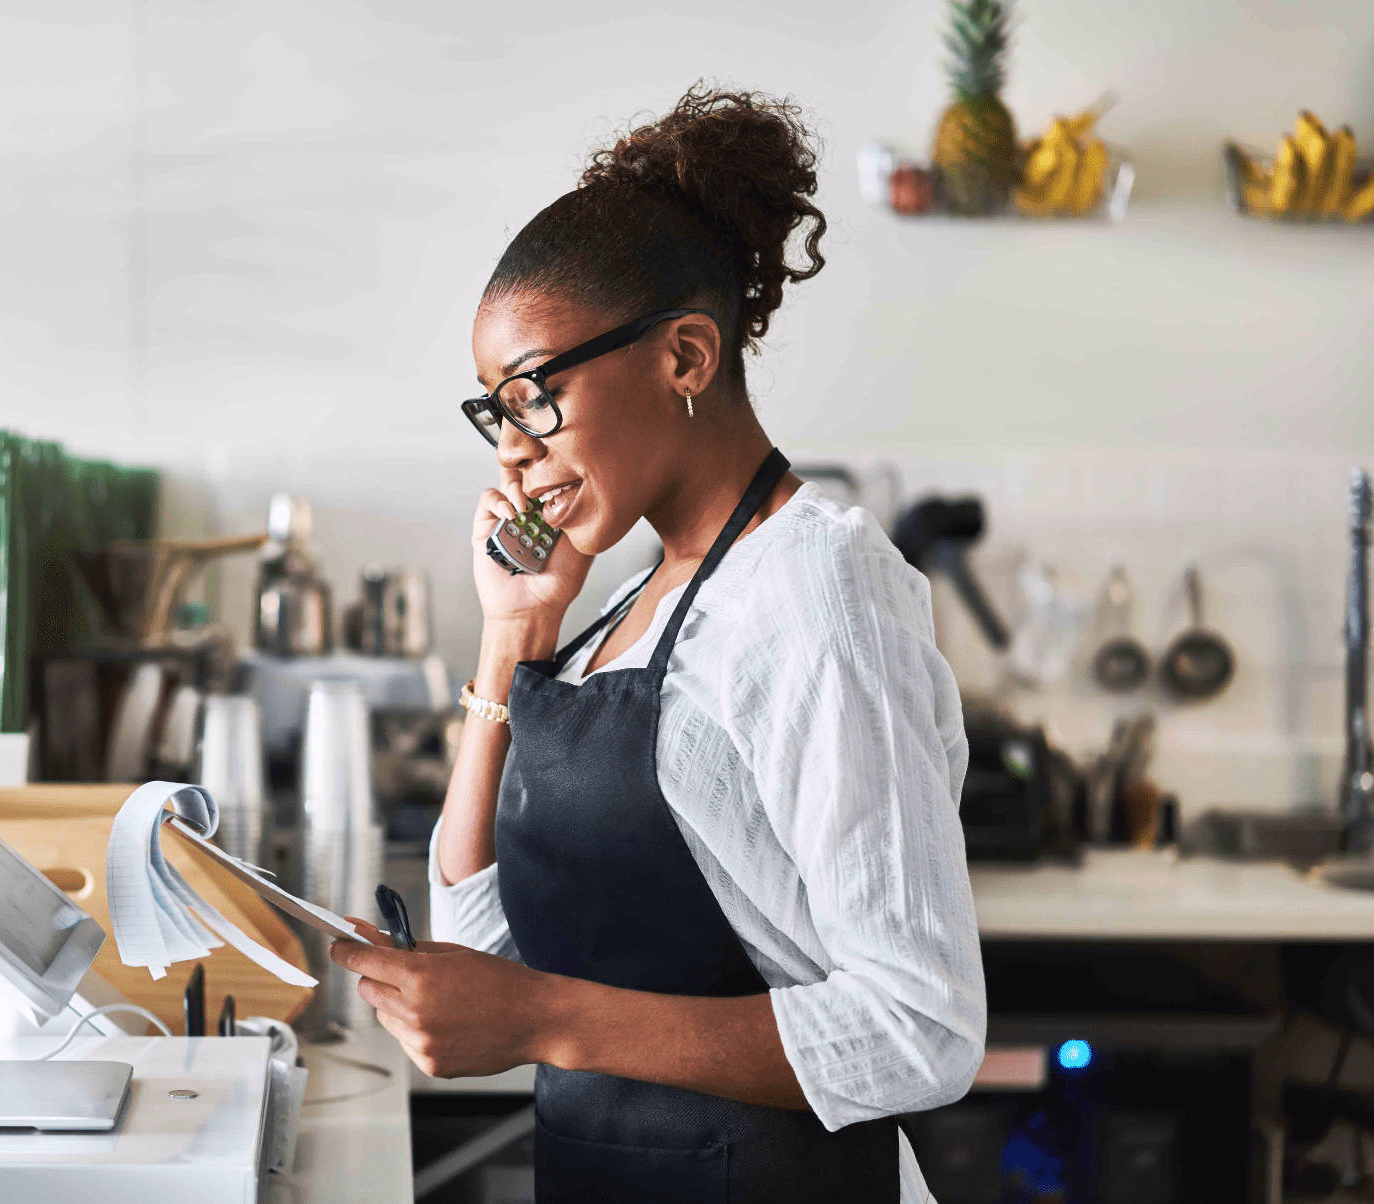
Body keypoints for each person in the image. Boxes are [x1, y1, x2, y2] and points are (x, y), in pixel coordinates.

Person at [330, 85, 984, 1204]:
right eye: (496, 413)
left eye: (534, 396)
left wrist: (544, 1019)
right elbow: (484, 940)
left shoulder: (817, 587)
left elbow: (920, 1024)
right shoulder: (622, 599)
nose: (514, 455)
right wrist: (512, 637)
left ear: (683, 356)